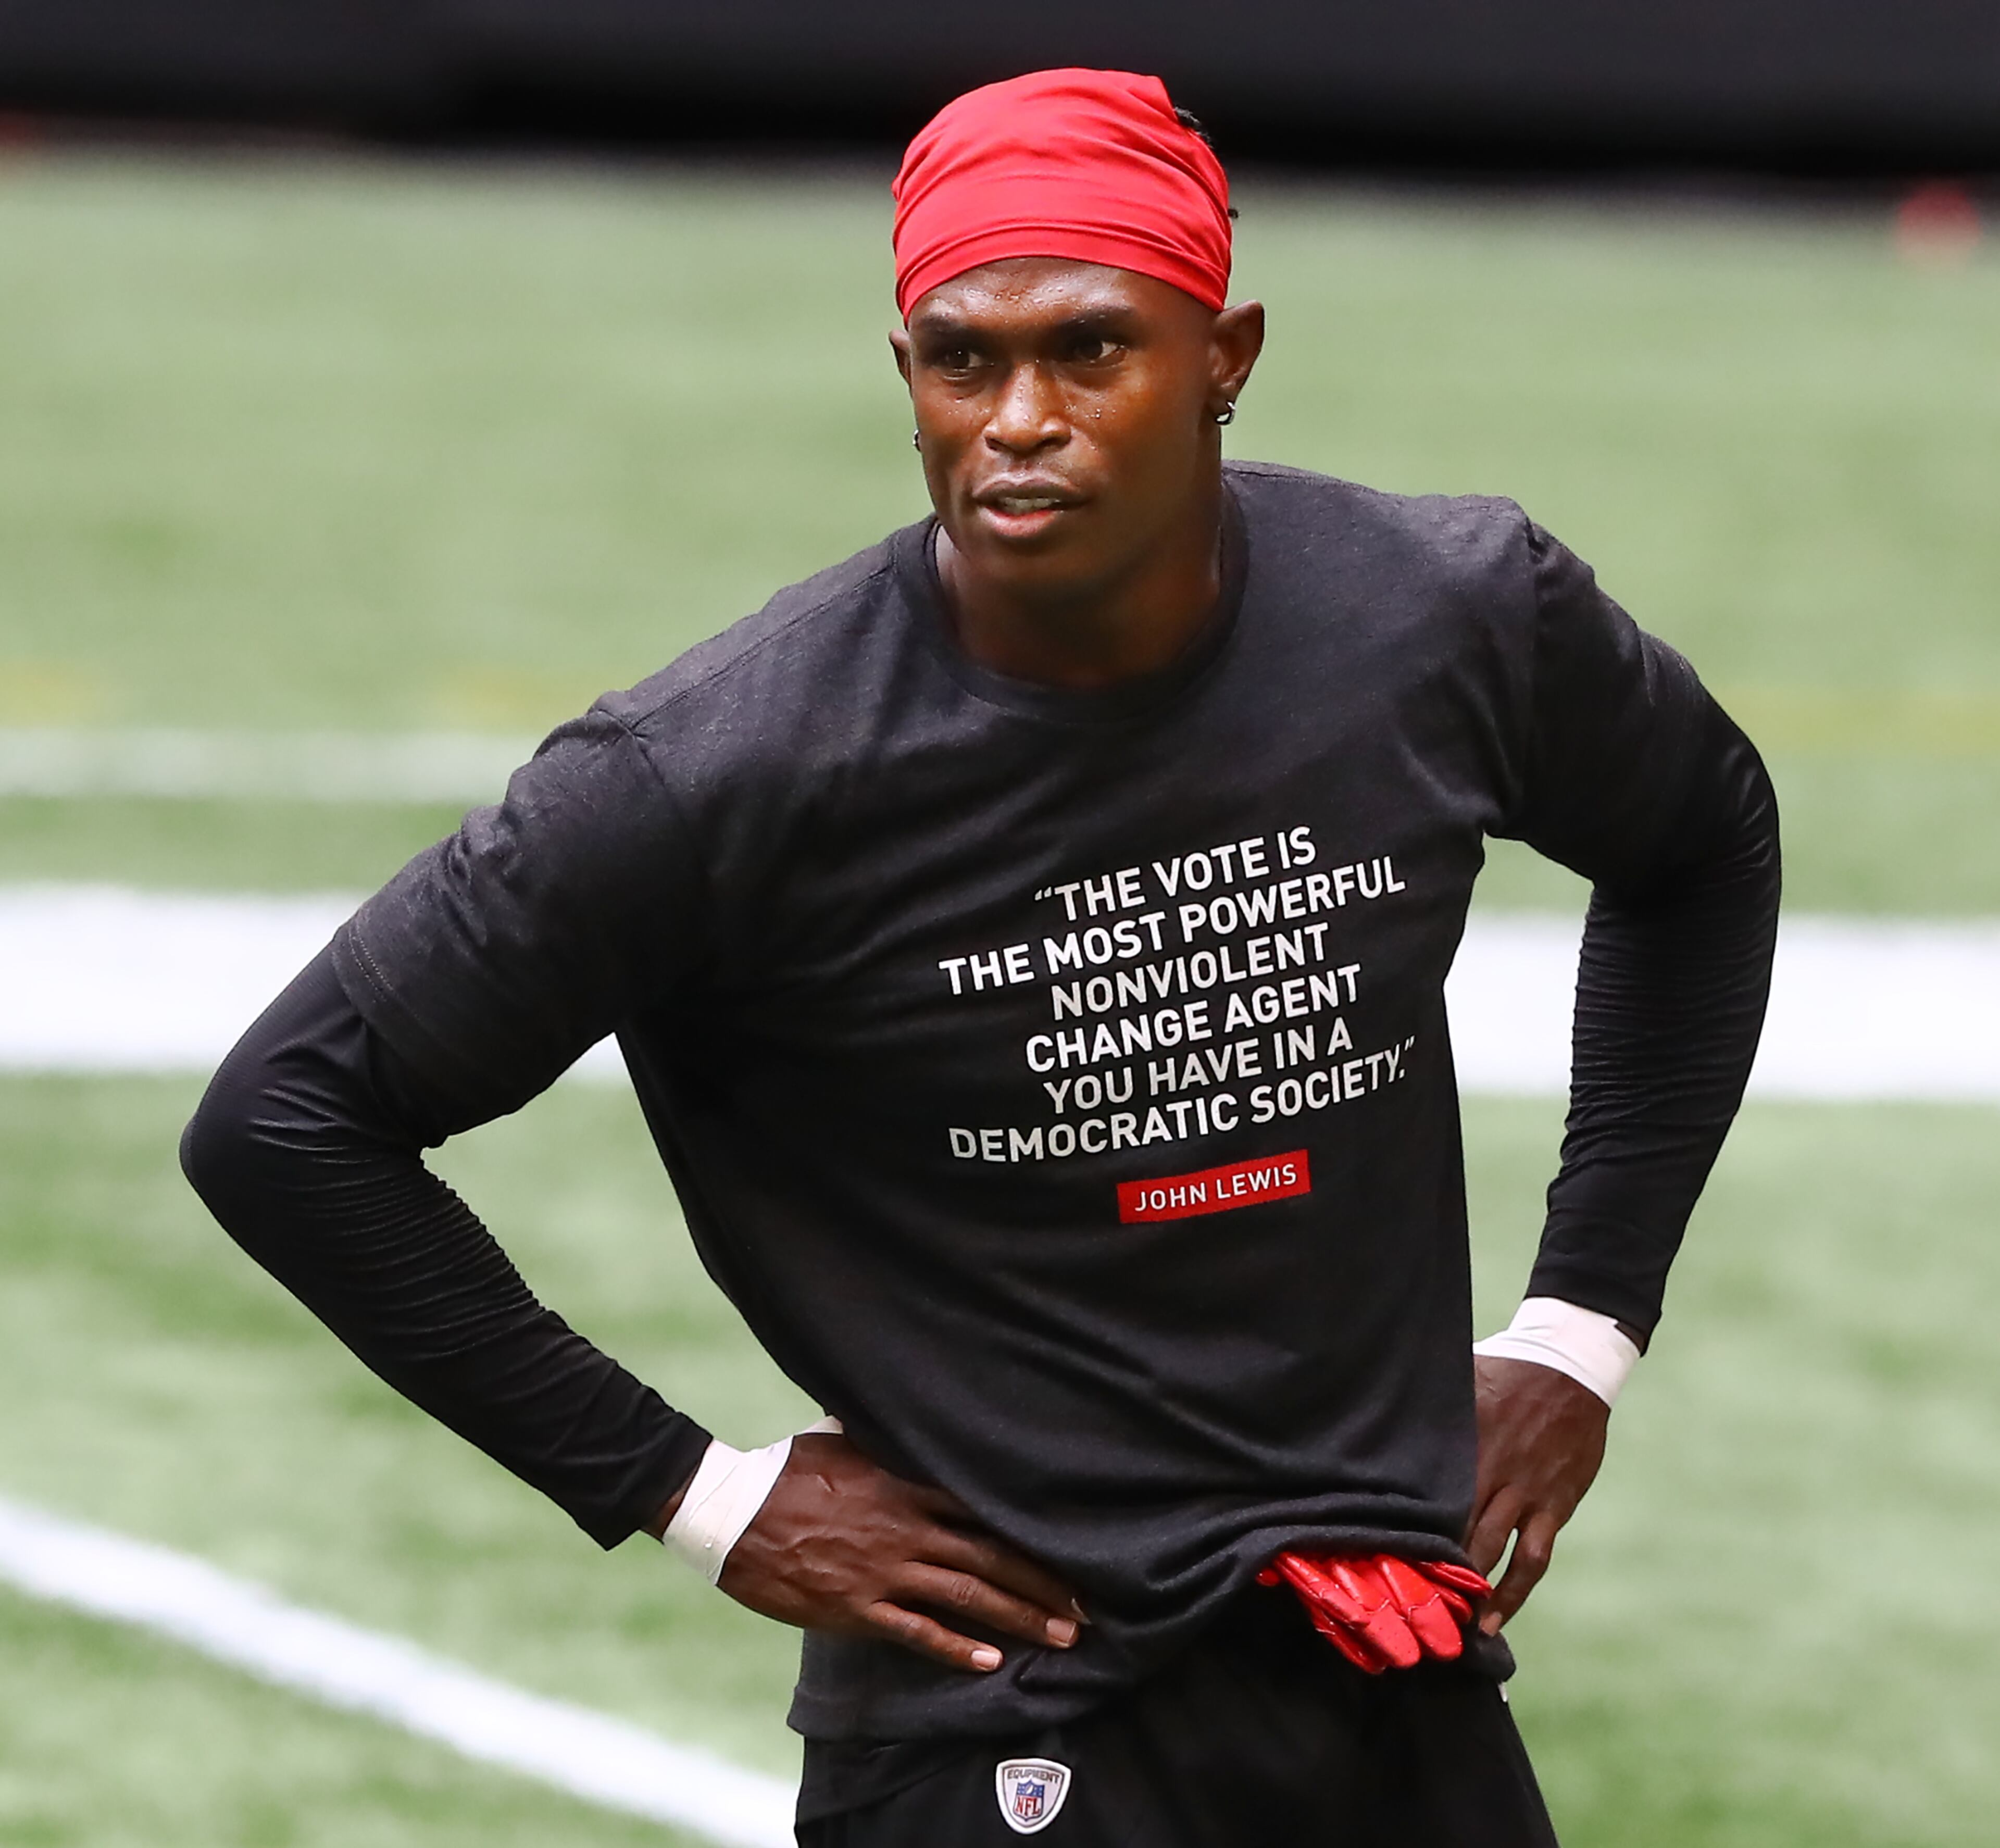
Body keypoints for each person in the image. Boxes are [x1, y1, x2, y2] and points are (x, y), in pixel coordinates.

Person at [182, 68, 1780, 1845]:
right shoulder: (722, 769)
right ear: (908, 377)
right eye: (964, 360)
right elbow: (287, 1117)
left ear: (1227, 354)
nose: (1021, 417)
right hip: (1004, 1715)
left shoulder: (1450, 613)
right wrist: (688, 1488)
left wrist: (1579, 1332)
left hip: (1390, 1663)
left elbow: (1702, 842)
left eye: (1094, 351)